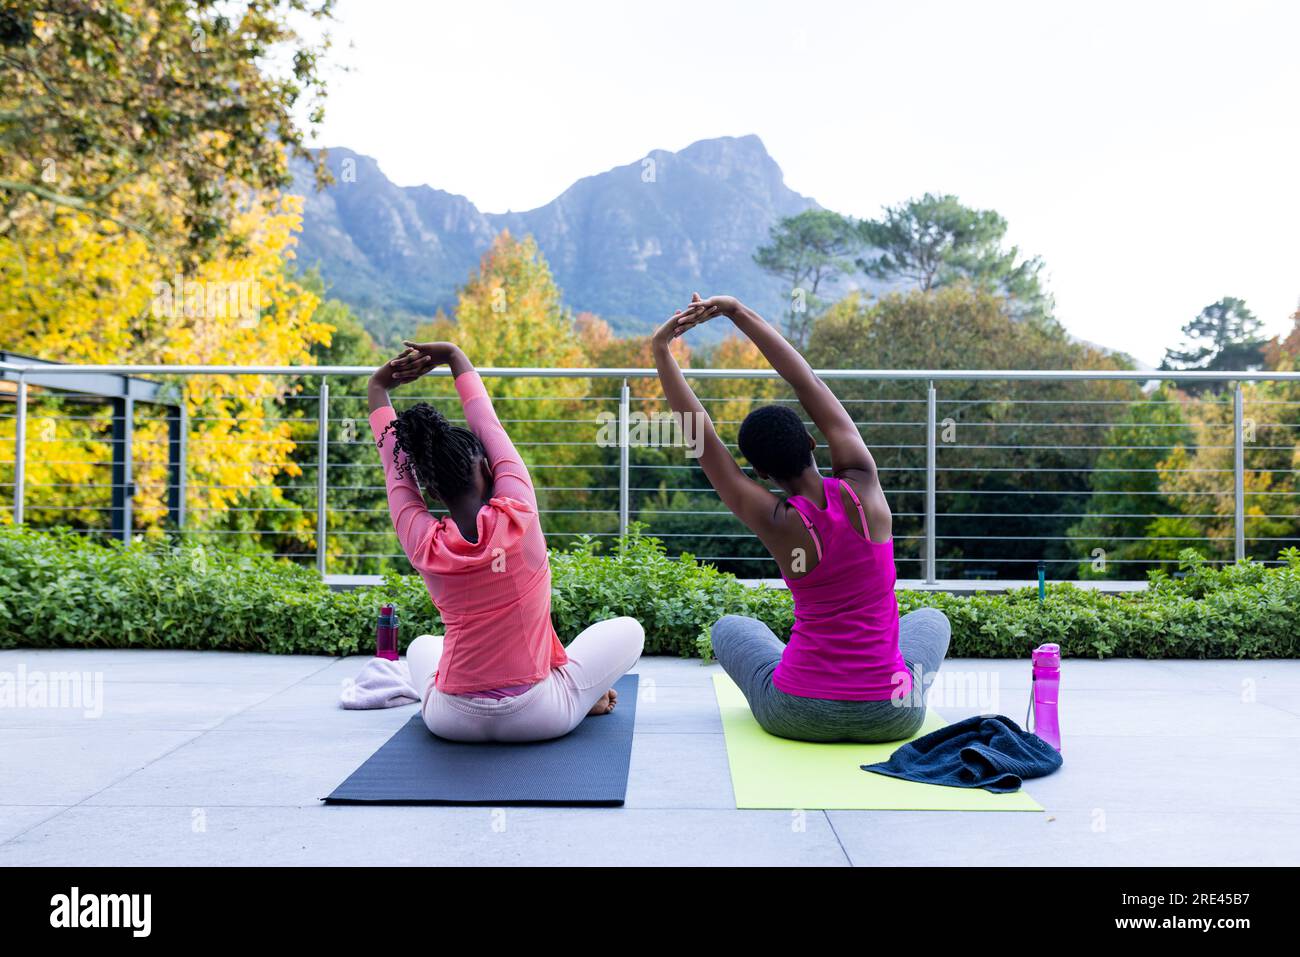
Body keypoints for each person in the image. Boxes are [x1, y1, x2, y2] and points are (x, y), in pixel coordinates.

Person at [652, 295, 950, 743]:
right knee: (931, 619)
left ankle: (807, 668)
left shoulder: (775, 519)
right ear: (812, 443)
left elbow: (703, 439)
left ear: (762, 474)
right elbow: (804, 380)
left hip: (797, 713)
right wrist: (737, 310)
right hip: (893, 715)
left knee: (731, 628)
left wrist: (661, 350)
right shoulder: (864, 484)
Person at [367, 340, 643, 742]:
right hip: (538, 715)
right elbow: (488, 425)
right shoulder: (518, 511)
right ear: (484, 464)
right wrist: (454, 356)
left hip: (451, 721)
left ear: (430, 490)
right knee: (629, 631)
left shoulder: (423, 541)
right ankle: (579, 698)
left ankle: (442, 692)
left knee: (423, 645)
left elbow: (397, 475)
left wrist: (378, 389)